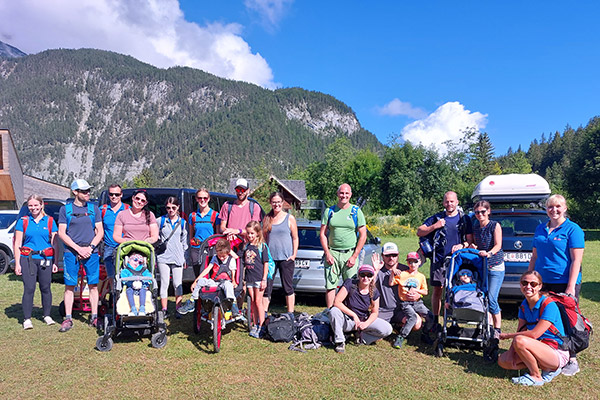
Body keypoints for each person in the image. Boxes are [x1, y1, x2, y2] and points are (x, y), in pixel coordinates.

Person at [528, 194, 585, 376]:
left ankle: (572, 358)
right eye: (550, 207)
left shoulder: (572, 229)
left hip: (564, 282)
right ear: (546, 209)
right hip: (543, 282)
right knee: (545, 317)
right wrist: (529, 277)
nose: (554, 210)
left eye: (558, 206)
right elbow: (535, 256)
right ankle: (548, 353)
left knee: (567, 320)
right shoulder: (540, 228)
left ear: (565, 208)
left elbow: (576, 261)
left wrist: (570, 287)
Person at [498, 271, 569, 386]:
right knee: (503, 361)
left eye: (533, 284)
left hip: (556, 351)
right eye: (524, 283)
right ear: (520, 284)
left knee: (519, 341)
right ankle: (545, 367)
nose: (528, 287)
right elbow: (520, 330)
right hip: (538, 347)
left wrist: (507, 336)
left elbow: (534, 334)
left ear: (540, 286)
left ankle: (536, 376)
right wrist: (511, 352)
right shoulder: (524, 305)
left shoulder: (548, 305)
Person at [417, 191, 473, 327]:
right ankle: (435, 320)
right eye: (447, 201)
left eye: (452, 201)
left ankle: (454, 320)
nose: (449, 204)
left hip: (457, 261)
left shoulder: (464, 219)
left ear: (457, 202)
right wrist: (435, 226)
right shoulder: (437, 218)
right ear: (443, 203)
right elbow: (420, 231)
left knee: (454, 290)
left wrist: (462, 245)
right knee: (437, 290)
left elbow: (470, 241)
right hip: (438, 260)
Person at [57, 179, 104, 332]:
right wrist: (78, 249)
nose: (87, 193)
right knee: (69, 285)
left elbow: (100, 231)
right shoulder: (66, 210)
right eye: (84, 191)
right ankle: (68, 318)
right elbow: (62, 233)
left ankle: (94, 316)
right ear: (75, 192)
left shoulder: (94, 209)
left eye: (88, 190)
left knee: (93, 285)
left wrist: (90, 248)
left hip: (91, 252)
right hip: (71, 253)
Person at [13, 195, 59, 329]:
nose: (33, 208)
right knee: (29, 288)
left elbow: (55, 244)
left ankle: (47, 315)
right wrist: (17, 263)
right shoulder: (23, 221)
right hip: (28, 259)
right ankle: (27, 319)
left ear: (41, 205)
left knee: (45, 288)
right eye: (30, 206)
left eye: (36, 205)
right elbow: (17, 244)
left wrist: (55, 262)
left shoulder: (50, 221)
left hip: (46, 259)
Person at [319, 183, 367, 308]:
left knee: (351, 286)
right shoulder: (329, 211)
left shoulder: (356, 211)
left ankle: (350, 312)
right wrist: (327, 253)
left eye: (346, 193)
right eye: (341, 193)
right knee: (330, 286)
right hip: (332, 253)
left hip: (350, 254)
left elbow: (363, 235)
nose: (344, 196)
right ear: (337, 194)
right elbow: (322, 234)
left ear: (350, 195)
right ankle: (330, 313)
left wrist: (355, 256)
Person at [330, 264, 393, 353]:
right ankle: (340, 341)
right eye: (363, 275)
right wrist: (354, 315)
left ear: (372, 277)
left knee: (387, 329)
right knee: (334, 311)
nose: (365, 278)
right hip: (346, 320)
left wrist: (366, 324)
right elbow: (337, 302)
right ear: (359, 276)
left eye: (369, 275)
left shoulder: (374, 291)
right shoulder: (350, 284)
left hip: (362, 321)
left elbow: (375, 312)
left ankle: (361, 338)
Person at [470, 200, 504, 337]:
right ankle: (488, 325)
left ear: (488, 211)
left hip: (495, 266)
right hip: (482, 266)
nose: (480, 214)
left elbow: (498, 245)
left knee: (492, 298)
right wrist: (472, 246)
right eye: (477, 212)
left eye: (483, 211)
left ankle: (497, 328)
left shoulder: (494, 226)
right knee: (483, 296)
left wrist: (489, 253)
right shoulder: (475, 227)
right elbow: (474, 243)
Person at [179, 238, 238, 315]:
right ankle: (192, 301)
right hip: (214, 282)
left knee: (228, 285)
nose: (221, 258)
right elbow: (208, 269)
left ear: (228, 253)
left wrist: (233, 281)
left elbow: (233, 270)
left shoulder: (231, 259)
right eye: (220, 256)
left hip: (226, 281)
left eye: (223, 256)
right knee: (201, 281)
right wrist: (196, 281)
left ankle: (232, 304)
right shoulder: (215, 258)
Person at [262, 192, 298, 314]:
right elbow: (264, 238)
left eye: (278, 202)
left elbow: (295, 238)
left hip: (286, 258)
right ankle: (264, 314)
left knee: (288, 288)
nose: (276, 204)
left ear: (282, 203)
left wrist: (293, 255)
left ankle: (290, 313)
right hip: (271, 260)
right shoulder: (267, 218)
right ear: (270, 203)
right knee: (267, 288)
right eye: (274, 202)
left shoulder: (290, 218)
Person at [389, 252, 433, 348]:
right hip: (405, 303)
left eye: (415, 262)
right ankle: (401, 337)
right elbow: (391, 283)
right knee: (412, 317)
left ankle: (425, 334)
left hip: (418, 302)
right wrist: (393, 272)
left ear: (419, 262)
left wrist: (416, 291)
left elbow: (425, 292)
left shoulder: (421, 276)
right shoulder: (403, 274)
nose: (412, 264)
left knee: (430, 316)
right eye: (410, 262)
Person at [156, 197, 188, 318]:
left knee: (177, 284)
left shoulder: (183, 223)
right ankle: (164, 309)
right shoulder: (161, 221)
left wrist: (185, 258)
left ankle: (178, 308)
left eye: (173, 207)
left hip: (178, 256)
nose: (171, 210)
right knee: (164, 283)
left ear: (178, 207)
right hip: (163, 257)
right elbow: (155, 236)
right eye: (168, 208)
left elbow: (185, 242)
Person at [244, 221, 270, 339]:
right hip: (249, 278)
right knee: (253, 301)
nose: (250, 236)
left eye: (252, 234)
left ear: (258, 234)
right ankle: (255, 324)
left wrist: (264, 279)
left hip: (259, 278)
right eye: (248, 233)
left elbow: (266, 263)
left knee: (259, 302)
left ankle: (262, 325)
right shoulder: (246, 246)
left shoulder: (262, 246)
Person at [188, 188, 219, 276]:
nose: (202, 200)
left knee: (209, 274)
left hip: (210, 249)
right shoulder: (192, 216)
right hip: (196, 249)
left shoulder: (215, 215)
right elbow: (191, 234)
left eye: (205, 198)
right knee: (198, 275)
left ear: (208, 199)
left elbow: (217, 236)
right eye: (200, 198)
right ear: (196, 199)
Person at [100, 184, 128, 281]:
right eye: (111, 194)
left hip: (125, 247)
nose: (114, 197)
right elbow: (97, 228)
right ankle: (113, 294)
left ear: (121, 195)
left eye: (117, 194)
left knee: (125, 275)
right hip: (108, 247)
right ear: (108, 195)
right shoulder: (103, 210)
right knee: (111, 276)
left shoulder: (128, 209)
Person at [120, 251, 152, 316]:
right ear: (128, 260)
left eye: (140, 262)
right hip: (130, 287)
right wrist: (131, 283)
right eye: (135, 260)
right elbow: (123, 279)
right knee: (129, 291)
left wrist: (147, 281)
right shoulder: (125, 271)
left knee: (143, 290)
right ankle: (133, 309)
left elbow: (149, 277)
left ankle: (142, 308)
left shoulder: (144, 270)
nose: (137, 263)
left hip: (142, 287)